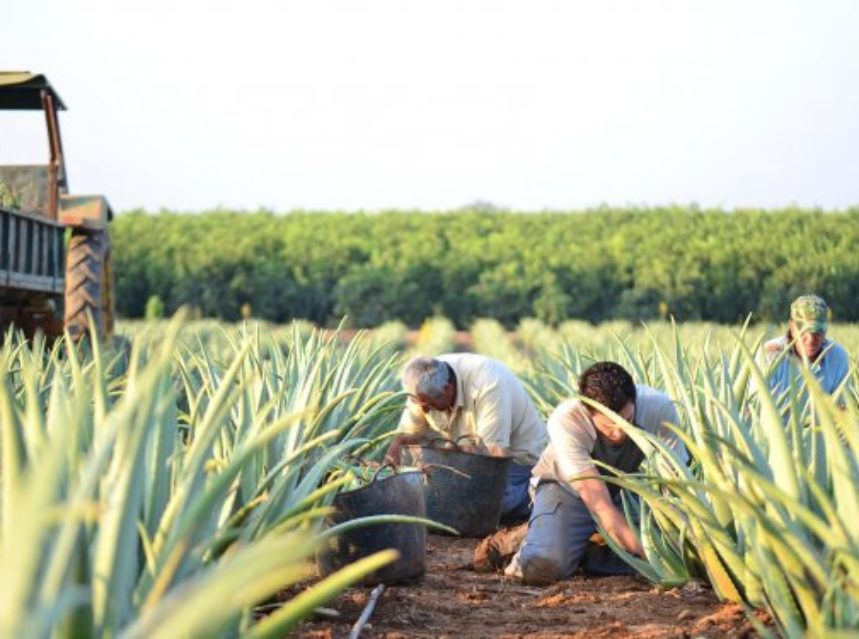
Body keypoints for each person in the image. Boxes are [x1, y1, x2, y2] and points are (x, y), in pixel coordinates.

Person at [501, 361, 687, 585]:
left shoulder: (660, 408)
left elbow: (676, 482)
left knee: (667, 548)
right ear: (588, 411)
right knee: (545, 567)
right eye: (608, 427)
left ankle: (572, 540)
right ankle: (523, 539)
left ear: (634, 399)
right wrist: (651, 554)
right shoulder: (567, 421)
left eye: (627, 422)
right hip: (564, 489)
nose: (618, 433)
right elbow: (601, 506)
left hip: (620, 492)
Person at [386, 353, 548, 523]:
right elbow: (402, 438)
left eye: (429, 405)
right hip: (463, 459)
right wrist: (386, 479)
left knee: (482, 506)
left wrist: (464, 494)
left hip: (515, 463)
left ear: (447, 389)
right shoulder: (423, 381)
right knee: (429, 498)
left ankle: (534, 494)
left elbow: (495, 455)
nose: (425, 411)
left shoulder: (489, 384)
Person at [763, 294, 850, 397]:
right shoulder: (770, 355)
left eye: (817, 331)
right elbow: (755, 405)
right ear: (792, 327)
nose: (811, 339)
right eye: (804, 331)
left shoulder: (838, 357)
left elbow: (843, 408)